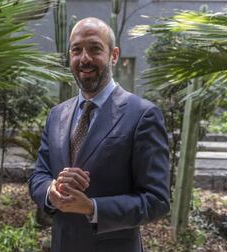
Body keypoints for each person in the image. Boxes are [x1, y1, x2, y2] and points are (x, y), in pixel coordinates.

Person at [28, 17, 170, 252]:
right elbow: (38, 176)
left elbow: (157, 201)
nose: (84, 58)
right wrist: (50, 191)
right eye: (76, 50)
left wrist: (92, 207)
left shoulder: (143, 115)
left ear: (114, 55)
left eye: (95, 49)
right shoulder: (56, 115)